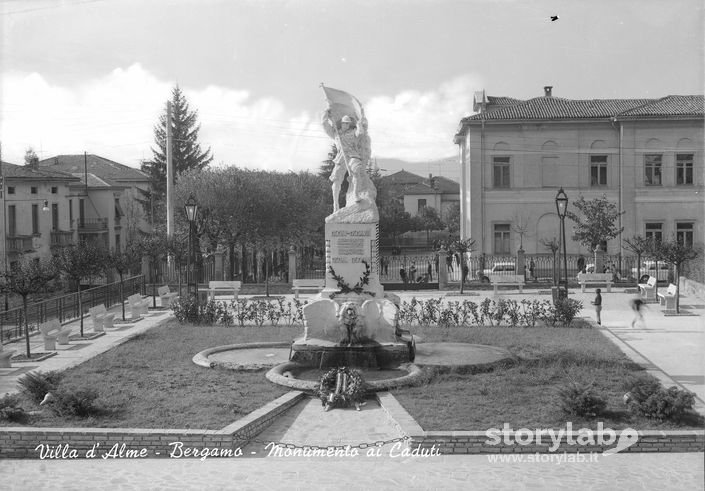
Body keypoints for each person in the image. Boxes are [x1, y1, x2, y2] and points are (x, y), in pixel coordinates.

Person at [321, 109, 374, 212]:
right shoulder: (335, 133)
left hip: (352, 155)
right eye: (345, 123)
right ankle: (335, 204)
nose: (346, 125)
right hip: (341, 157)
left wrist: (360, 123)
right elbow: (324, 125)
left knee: (357, 171)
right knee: (336, 180)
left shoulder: (353, 132)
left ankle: (355, 194)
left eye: (348, 124)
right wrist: (326, 114)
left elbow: (361, 132)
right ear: (341, 124)